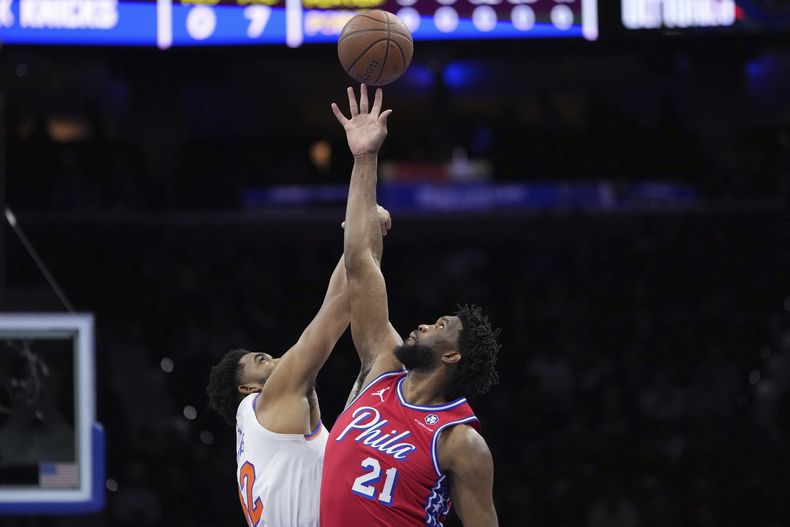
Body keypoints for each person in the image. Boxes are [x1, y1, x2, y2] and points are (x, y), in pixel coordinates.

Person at [320, 84, 501, 526]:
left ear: (452, 355)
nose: (423, 325)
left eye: (441, 325)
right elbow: (360, 264)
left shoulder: (459, 441)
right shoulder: (382, 367)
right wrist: (364, 157)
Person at [206, 206, 392, 527]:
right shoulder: (272, 399)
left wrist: (361, 236)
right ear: (247, 388)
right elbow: (339, 308)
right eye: (261, 361)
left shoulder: (260, 434)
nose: (278, 360)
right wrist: (361, 233)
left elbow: (339, 297)